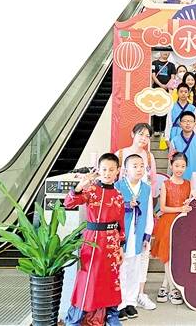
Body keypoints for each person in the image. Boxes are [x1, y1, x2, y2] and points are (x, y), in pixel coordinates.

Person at [64, 153, 124, 326]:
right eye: (104, 169)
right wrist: (79, 187)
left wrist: (121, 245)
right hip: (93, 240)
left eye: (111, 170)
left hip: (112, 243)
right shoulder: (91, 190)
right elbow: (69, 203)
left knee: (111, 278)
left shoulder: (119, 195)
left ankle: (111, 314)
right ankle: (76, 317)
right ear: (99, 170)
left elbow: (121, 223)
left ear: (118, 171)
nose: (107, 173)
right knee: (88, 278)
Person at [115, 123, 158, 311]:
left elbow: (153, 182)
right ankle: (119, 299)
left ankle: (136, 296)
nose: (144, 138)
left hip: (141, 217)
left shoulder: (149, 157)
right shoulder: (121, 154)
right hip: (123, 221)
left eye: (148, 136)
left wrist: (148, 231)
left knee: (139, 259)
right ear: (133, 134)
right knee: (122, 262)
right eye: (141, 134)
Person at [152, 153, 196, 306]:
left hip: (183, 224)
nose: (179, 169)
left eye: (183, 166)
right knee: (168, 256)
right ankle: (173, 289)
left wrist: (193, 197)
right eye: (177, 165)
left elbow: (191, 201)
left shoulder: (188, 184)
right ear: (171, 165)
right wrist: (181, 208)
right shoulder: (166, 184)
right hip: (168, 223)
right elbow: (163, 208)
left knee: (177, 256)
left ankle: (164, 286)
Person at [169, 111, 196, 180]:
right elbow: (171, 160)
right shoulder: (174, 141)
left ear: (195, 124)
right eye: (184, 121)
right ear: (180, 124)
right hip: (179, 177)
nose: (188, 123)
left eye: (190, 121)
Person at [151, 51, 176, 136]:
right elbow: (153, 76)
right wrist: (161, 85)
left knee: (165, 109)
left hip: (167, 91)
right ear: (160, 52)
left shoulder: (171, 65)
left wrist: (166, 86)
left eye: (167, 51)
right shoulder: (154, 63)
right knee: (156, 109)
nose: (166, 53)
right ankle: (156, 129)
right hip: (156, 90)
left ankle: (163, 129)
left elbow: (172, 77)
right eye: (164, 51)